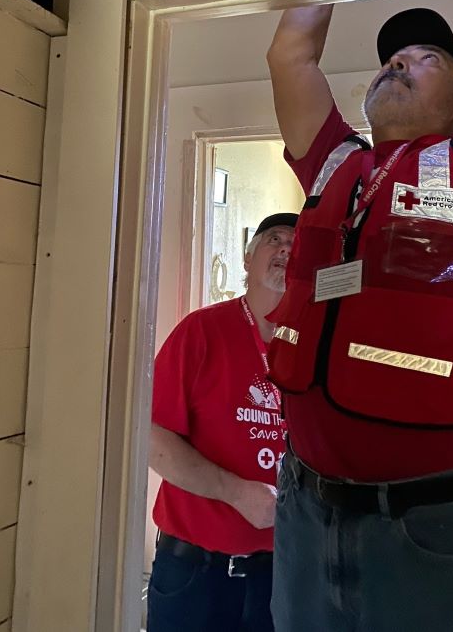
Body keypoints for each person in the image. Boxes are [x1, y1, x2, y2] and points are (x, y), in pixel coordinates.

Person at [265, 0, 453, 632]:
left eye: (429, 59)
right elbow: (291, 55)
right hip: (305, 513)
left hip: (431, 529)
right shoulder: (337, 166)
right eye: (394, 56)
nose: (398, 61)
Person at [147, 213, 298, 632]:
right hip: (195, 571)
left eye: (296, 242)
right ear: (247, 261)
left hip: (287, 574)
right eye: (273, 239)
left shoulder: (321, 344)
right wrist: (234, 492)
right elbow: (151, 438)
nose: (286, 247)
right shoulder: (201, 331)